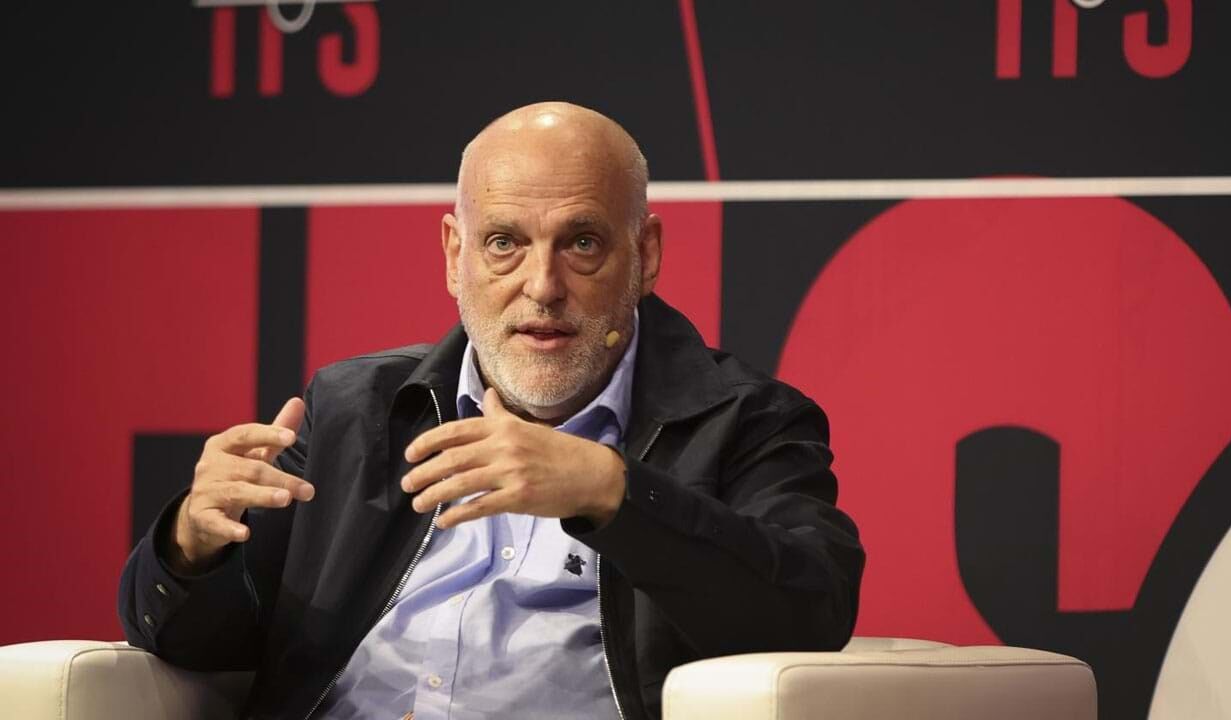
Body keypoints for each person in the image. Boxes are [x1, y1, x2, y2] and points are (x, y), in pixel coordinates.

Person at [119, 102, 865, 719]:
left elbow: (812, 609)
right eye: (505, 243)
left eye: (581, 243)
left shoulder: (746, 421)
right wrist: (190, 545)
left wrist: (612, 493)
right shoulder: (354, 409)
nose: (542, 286)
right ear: (455, 255)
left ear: (646, 253)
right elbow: (196, 644)